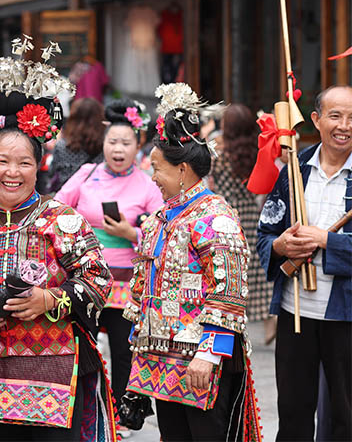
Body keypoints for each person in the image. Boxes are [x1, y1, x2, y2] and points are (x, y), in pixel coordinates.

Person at [0, 38, 117, 441]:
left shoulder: (63, 221)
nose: (13, 172)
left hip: (59, 379)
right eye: (2, 161)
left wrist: (49, 300)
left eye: (25, 162)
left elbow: (99, 280)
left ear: (40, 166)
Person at [123, 83, 261, 441]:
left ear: (182, 170)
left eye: (157, 168)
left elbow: (229, 292)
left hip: (202, 361)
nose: (152, 177)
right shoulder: (161, 219)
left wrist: (210, 354)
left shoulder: (215, 218)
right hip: (162, 361)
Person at [55, 99, 163, 433]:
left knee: (122, 351)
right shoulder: (86, 174)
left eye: (126, 143)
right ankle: (79, 409)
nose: (118, 149)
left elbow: (163, 232)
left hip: (127, 283)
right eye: (112, 142)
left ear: (138, 145)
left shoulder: (148, 183)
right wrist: (82, 232)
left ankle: (122, 415)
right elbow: (56, 209)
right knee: (80, 347)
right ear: (103, 143)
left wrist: (131, 232)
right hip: (84, 280)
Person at [257, 85, 352, 441]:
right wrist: (281, 245)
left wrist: (326, 240)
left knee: (347, 416)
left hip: (346, 316)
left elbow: (328, 242)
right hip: (295, 312)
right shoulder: (295, 171)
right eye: (335, 115)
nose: (344, 125)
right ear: (316, 119)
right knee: (293, 415)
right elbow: (265, 233)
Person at [208, 104, 273, 339]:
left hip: (226, 214)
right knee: (256, 267)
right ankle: (268, 319)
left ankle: (235, 317)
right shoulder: (255, 150)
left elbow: (209, 178)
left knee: (232, 268)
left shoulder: (217, 150)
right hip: (249, 212)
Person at [47, 97, 106, 192]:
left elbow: (51, 172)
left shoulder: (62, 146)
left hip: (67, 198)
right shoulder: (105, 146)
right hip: (96, 194)